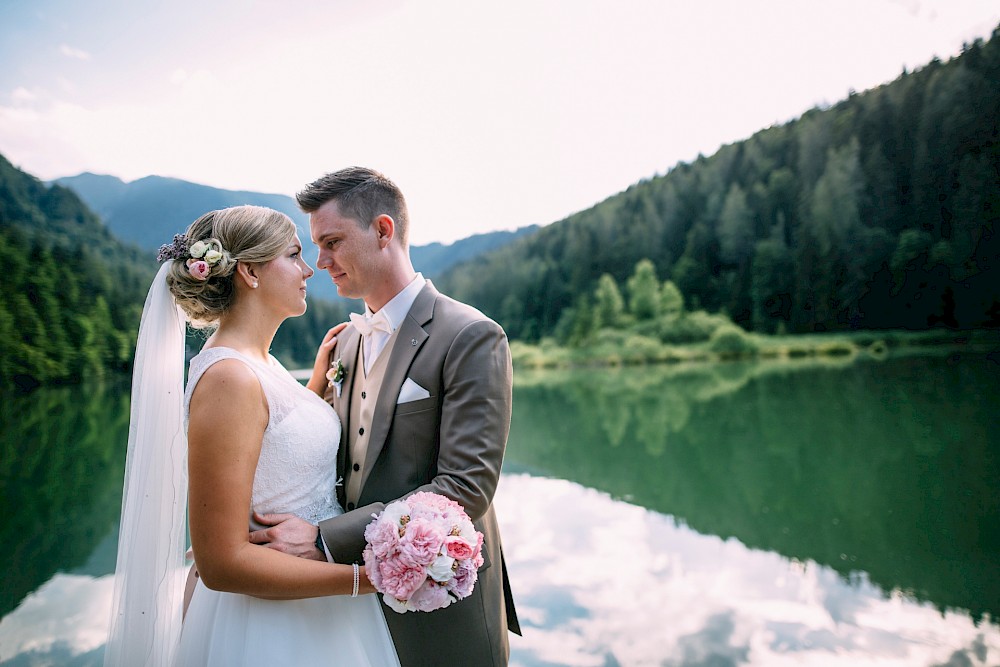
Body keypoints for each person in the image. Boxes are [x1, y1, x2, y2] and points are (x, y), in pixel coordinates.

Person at [104, 205, 400, 666]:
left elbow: (274, 443)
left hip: (314, 610)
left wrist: (313, 390)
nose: (309, 269)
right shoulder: (229, 378)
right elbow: (221, 564)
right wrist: (368, 578)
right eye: (294, 255)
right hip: (269, 626)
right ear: (250, 272)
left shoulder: (259, 364)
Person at [251, 167, 521, 666]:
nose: (320, 262)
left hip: (441, 604)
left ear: (383, 230)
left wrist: (323, 540)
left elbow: (466, 487)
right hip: (346, 606)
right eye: (314, 246)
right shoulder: (344, 342)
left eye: (332, 241)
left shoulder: (471, 335)